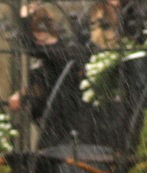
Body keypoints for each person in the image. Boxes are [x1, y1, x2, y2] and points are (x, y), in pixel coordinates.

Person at [7, 7, 89, 148]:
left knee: (50, 158)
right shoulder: (44, 53)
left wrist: (24, 19)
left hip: (61, 118)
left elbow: (29, 46)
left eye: (37, 33)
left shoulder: (59, 51)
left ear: (45, 31)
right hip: (46, 118)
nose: (36, 38)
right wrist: (22, 94)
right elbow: (41, 83)